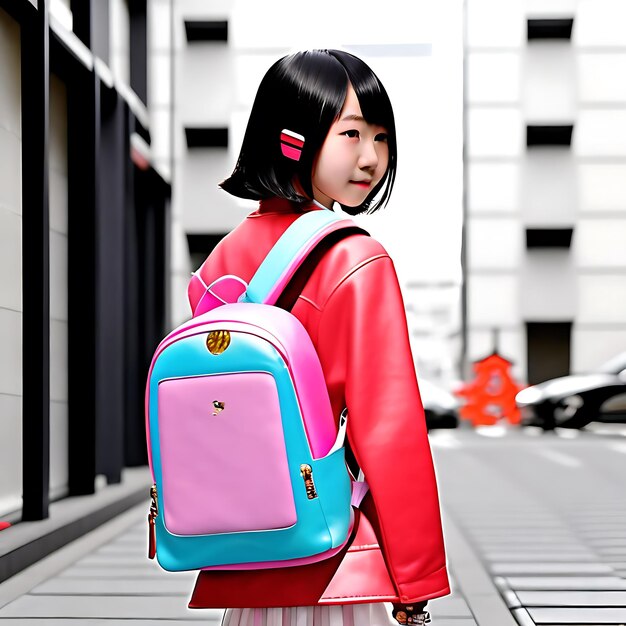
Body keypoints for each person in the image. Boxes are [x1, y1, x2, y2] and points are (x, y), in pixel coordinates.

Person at [187, 49, 450, 626]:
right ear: (291, 138)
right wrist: (414, 579)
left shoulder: (219, 263)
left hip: (245, 553)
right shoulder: (356, 259)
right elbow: (390, 429)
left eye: (381, 138)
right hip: (333, 553)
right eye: (351, 133)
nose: (372, 158)